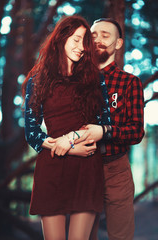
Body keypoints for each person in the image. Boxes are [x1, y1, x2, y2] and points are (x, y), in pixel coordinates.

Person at [22, 15, 110, 240]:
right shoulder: (37, 80)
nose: (81, 48)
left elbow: (104, 123)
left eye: (85, 43)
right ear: (61, 38)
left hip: (87, 168)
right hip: (52, 165)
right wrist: (70, 148)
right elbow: (32, 132)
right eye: (76, 40)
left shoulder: (95, 78)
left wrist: (72, 137)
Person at [74, 18, 144, 240]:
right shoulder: (74, 82)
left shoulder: (130, 83)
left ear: (118, 43)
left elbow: (136, 131)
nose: (98, 40)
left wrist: (105, 132)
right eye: (93, 36)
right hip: (82, 168)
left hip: (116, 170)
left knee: (121, 235)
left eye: (105, 35)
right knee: (83, 236)